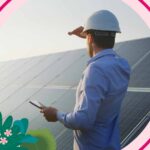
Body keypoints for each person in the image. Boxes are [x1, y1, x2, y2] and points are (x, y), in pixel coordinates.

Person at [40, 10, 131, 150]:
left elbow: (83, 120)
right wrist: (88, 34)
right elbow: (102, 39)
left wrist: (56, 114)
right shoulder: (123, 65)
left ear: (89, 38)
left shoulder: (96, 69)